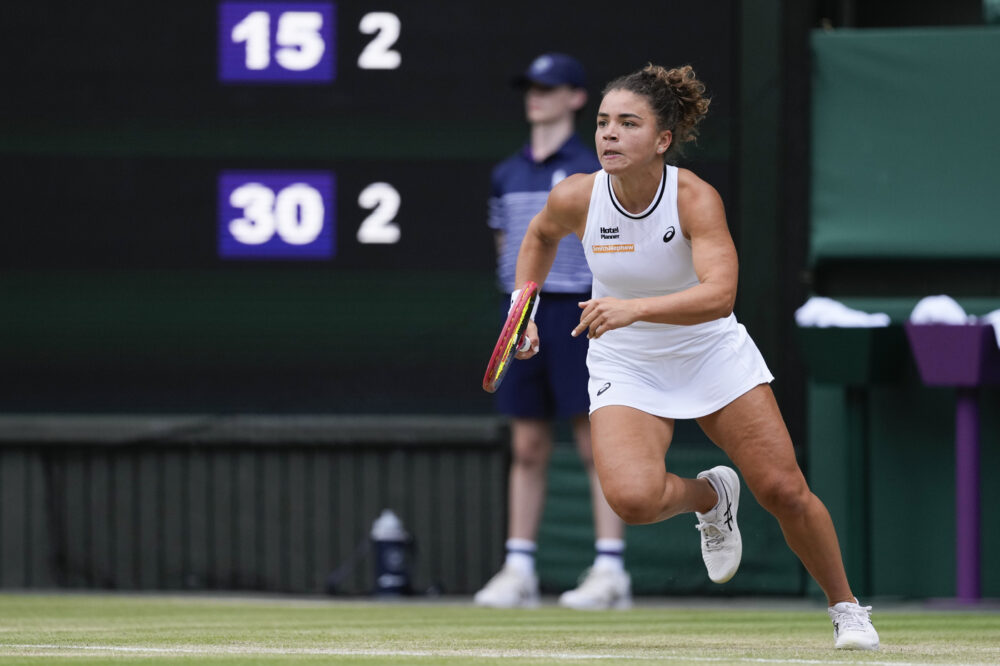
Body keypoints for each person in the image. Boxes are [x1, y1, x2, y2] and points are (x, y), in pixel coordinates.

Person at [510, 63, 880, 650]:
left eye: (627, 124)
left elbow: (719, 296)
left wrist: (633, 308)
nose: (608, 134)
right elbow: (537, 237)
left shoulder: (694, 199)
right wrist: (522, 308)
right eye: (604, 122)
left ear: (662, 140)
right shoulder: (576, 195)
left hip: (709, 353)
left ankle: (847, 608)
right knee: (632, 499)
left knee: (783, 491)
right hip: (626, 362)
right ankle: (711, 497)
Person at [474, 53, 632, 611]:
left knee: (596, 446)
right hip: (524, 313)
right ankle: (518, 567)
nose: (535, 96)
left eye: (549, 87)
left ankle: (610, 570)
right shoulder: (506, 171)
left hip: (583, 314)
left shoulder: (595, 168)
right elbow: (508, 249)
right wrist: (522, 312)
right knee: (528, 444)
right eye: (531, 87)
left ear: (575, 98)